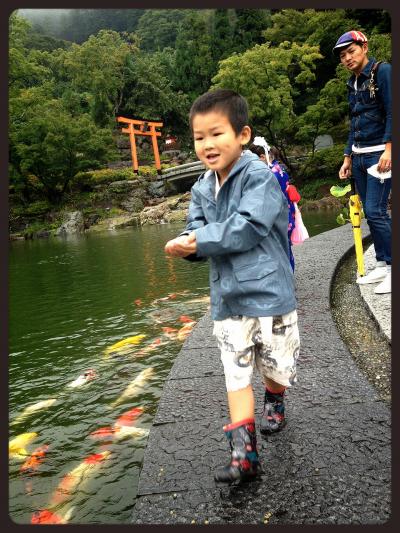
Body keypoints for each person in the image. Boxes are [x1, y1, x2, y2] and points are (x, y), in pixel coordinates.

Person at [164, 89, 300, 484]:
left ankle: (275, 397)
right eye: (199, 137)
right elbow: (196, 227)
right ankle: (244, 454)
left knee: (276, 367)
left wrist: (200, 240)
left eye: (216, 134)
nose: (207, 144)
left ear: (242, 135)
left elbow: (249, 226)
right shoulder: (201, 188)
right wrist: (187, 243)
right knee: (236, 374)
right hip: (227, 299)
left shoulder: (259, 177)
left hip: (270, 295)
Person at [334, 30, 391, 294]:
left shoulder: (383, 72)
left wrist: (389, 150)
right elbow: (354, 122)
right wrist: (347, 156)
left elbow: (393, 112)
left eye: (351, 51)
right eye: (343, 55)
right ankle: (381, 264)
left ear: (364, 47)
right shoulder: (353, 82)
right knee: (370, 212)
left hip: (379, 153)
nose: (347, 58)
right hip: (358, 155)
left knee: (376, 211)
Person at [248, 138, 301, 271]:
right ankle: (288, 275)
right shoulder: (279, 169)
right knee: (285, 248)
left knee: (278, 250)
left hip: (276, 216)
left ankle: (285, 277)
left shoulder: (270, 174)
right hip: (286, 214)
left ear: (262, 157)